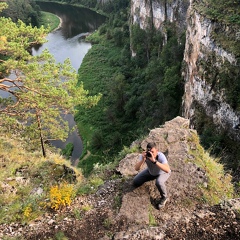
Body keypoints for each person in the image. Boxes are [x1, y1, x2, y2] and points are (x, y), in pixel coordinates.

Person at [133, 142, 171, 209]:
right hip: (151, 172)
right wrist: (143, 160)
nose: (151, 154)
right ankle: (153, 176)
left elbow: (167, 170)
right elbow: (136, 168)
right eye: (149, 152)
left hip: (163, 172)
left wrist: (154, 161)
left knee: (159, 182)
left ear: (157, 151)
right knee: (136, 181)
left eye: (153, 152)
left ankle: (164, 197)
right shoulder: (145, 156)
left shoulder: (161, 156)